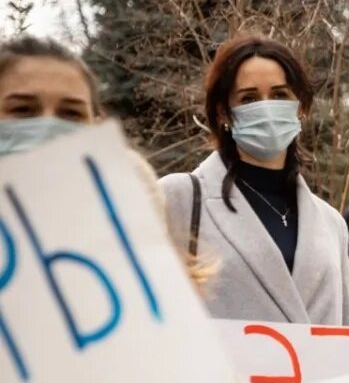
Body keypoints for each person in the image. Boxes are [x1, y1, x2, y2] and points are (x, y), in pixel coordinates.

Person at [160, 35, 349, 325]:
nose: (266, 108)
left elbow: (347, 333)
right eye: (249, 98)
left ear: (300, 106)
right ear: (223, 112)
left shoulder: (331, 223)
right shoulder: (180, 200)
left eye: (279, 95)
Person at [0, 36, 209, 287]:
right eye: (23, 110)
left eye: (71, 113)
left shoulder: (134, 216)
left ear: (95, 125)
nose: (48, 125)